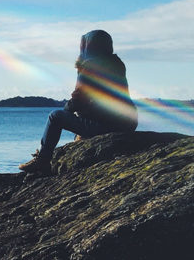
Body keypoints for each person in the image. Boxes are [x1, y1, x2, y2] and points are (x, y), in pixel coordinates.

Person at [19, 29, 138, 174]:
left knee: (55, 116)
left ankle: (43, 160)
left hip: (107, 125)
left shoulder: (89, 66)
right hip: (129, 123)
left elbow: (78, 100)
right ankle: (81, 136)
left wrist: (66, 111)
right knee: (79, 115)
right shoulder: (118, 64)